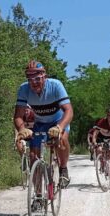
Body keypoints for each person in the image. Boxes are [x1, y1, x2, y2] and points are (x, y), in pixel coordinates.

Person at [13, 60, 73, 188]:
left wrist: (60, 127)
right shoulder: (24, 89)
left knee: (61, 140)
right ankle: (39, 196)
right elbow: (18, 116)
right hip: (40, 122)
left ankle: (63, 169)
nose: (34, 83)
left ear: (44, 76)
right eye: (30, 79)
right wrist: (22, 129)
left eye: (37, 78)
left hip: (58, 120)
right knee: (33, 157)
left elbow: (68, 110)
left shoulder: (56, 85)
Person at [92, 108, 110, 179]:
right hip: (101, 137)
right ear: (107, 116)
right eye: (109, 116)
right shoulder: (102, 122)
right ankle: (102, 164)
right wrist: (94, 142)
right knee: (99, 149)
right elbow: (95, 134)